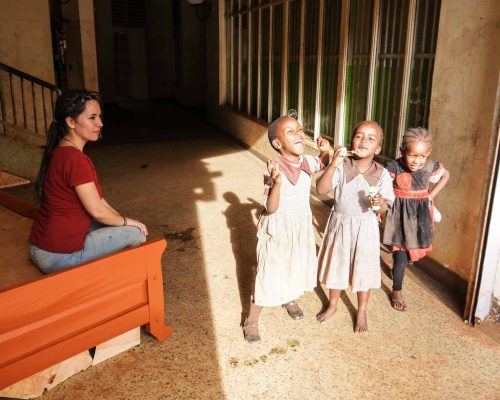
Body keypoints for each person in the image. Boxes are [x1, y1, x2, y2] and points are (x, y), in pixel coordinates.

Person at [29, 90, 148, 274]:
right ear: (71, 122)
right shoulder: (75, 159)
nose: (100, 123)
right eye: (92, 117)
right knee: (137, 234)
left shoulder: (61, 150)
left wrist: (125, 220)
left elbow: (99, 200)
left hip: (39, 246)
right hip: (58, 256)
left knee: (121, 224)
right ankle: (117, 283)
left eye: (99, 117)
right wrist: (128, 224)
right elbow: (98, 211)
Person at [242, 111, 330, 343]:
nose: (299, 134)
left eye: (300, 130)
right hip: (278, 228)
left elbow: (322, 162)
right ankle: (252, 317)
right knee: (270, 271)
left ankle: (288, 297)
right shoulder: (273, 168)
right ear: (277, 143)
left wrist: (325, 149)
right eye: (291, 132)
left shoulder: (307, 161)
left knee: (294, 264)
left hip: (299, 226)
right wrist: (277, 183)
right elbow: (271, 208)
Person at [316, 121, 395, 333]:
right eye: (359, 136)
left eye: (371, 138)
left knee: (363, 268)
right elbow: (322, 189)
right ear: (351, 140)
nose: (363, 141)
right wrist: (333, 163)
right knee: (337, 265)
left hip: (366, 228)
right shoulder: (342, 166)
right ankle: (333, 304)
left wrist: (380, 204)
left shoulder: (382, 174)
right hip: (340, 224)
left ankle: (362, 309)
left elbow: (387, 204)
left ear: (378, 149)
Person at [383, 127, 449, 311]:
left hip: (419, 217)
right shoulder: (394, 167)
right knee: (401, 255)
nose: (417, 161)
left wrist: (431, 195)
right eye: (412, 155)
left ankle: (398, 269)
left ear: (428, 153)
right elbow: (382, 185)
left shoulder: (430, 166)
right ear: (402, 150)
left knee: (411, 251)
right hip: (398, 216)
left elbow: (446, 175)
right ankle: (397, 290)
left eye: (422, 156)